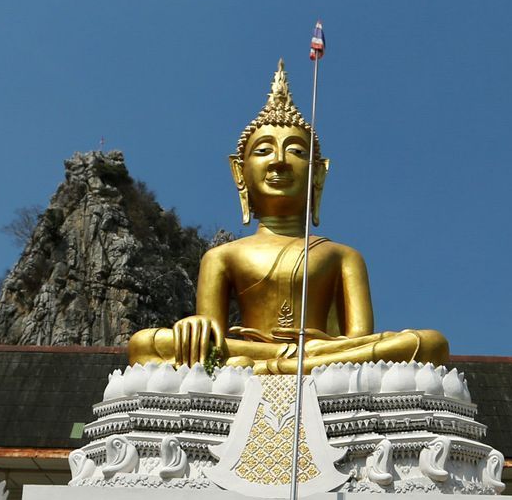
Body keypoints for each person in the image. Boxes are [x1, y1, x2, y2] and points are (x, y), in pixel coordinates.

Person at [125, 60, 448, 373]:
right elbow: (212, 341)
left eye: (296, 150)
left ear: (318, 175)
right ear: (240, 172)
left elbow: (357, 342)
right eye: (263, 150)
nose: (279, 161)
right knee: (146, 344)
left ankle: (280, 366)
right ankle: (293, 365)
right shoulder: (221, 257)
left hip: (320, 353)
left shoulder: (343, 256)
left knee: (428, 344)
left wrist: (310, 350)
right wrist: (196, 330)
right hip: (271, 353)